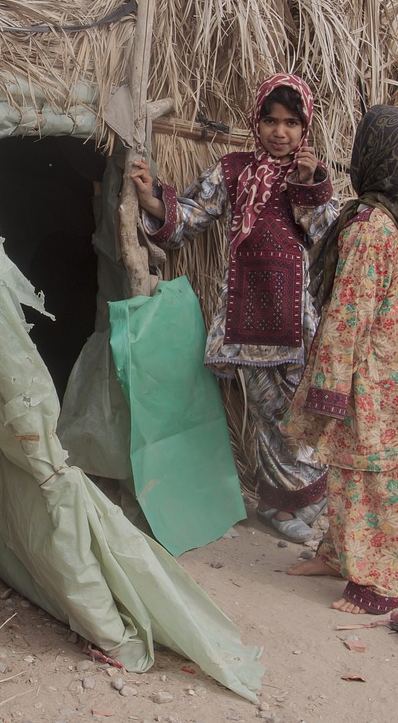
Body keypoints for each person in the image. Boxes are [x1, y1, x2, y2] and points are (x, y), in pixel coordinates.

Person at [131, 73, 339, 541]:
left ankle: (301, 498)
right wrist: (151, 198)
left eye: (290, 123)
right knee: (267, 415)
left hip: (296, 323)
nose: (279, 132)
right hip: (247, 321)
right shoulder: (234, 170)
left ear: (304, 129)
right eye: (270, 120)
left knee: (298, 414)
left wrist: (309, 185)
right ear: (256, 121)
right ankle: (279, 506)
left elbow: (330, 238)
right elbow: (193, 213)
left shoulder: (313, 176)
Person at [282, 104, 398, 615]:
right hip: (390, 364)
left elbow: (347, 317)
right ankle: (338, 553)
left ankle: (380, 582)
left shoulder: (369, 228)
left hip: (368, 371)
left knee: (370, 475)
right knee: (351, 469)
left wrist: (328, 389)